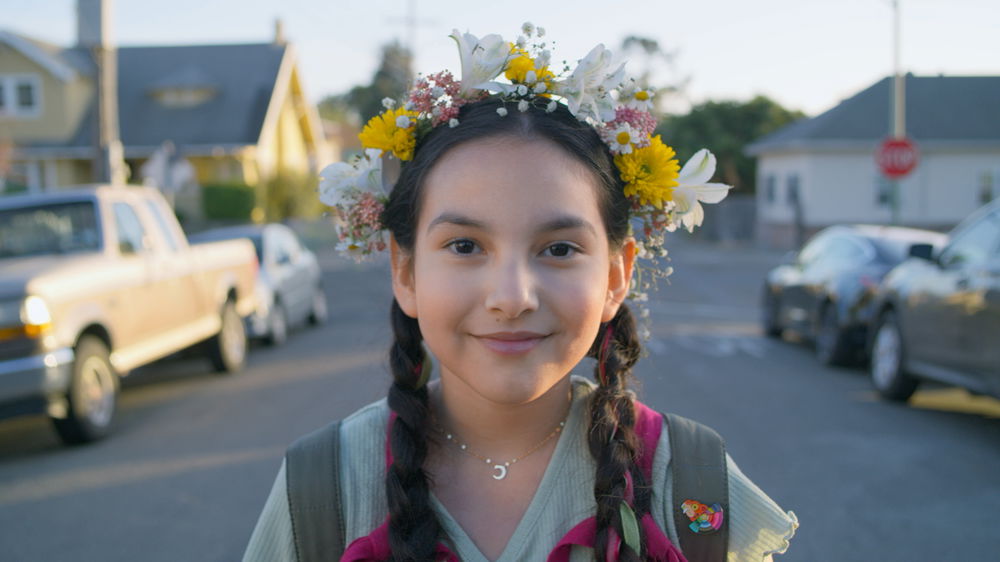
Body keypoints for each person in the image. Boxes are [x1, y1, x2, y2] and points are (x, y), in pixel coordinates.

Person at [244, 24, 797, 562]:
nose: (512, 298)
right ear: (405, 272)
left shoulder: (690, 478)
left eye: (558, 249)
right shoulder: (319, 487)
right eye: (464, 246)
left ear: (615, 275)